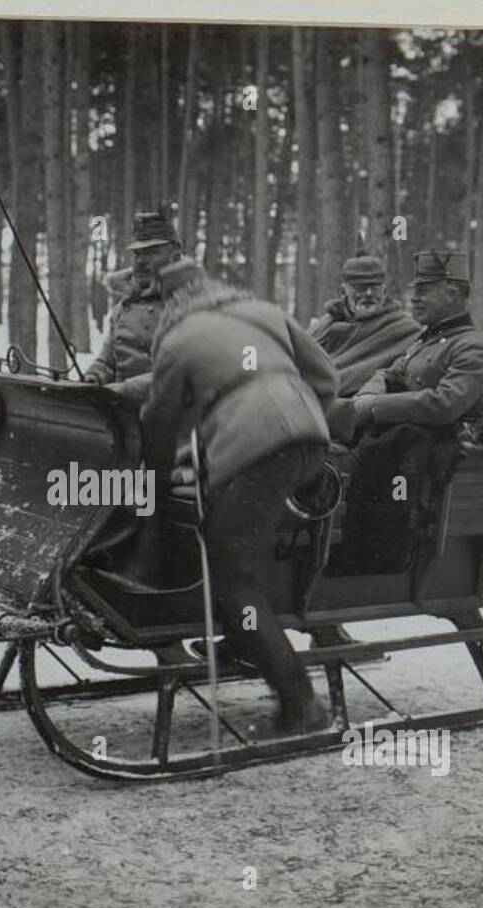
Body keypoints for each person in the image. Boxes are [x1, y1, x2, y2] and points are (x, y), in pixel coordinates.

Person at [133, 258, 340, 736]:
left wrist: (154, 485)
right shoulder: (263, 312)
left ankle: (301, 703)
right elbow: (327, 377)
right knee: (249, 545)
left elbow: (159, 426)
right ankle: (252, 639)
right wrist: (306, 417)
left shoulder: (177, 340)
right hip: (309, 441)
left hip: (256, 451)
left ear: (170, 302)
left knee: (230, 573)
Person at [337, 249, 483, 436]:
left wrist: (374, 406)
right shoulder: (426, 340)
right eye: (415, 291)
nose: (414, 299)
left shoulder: (473, 347)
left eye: (423, 292)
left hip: (432, 450)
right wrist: (367, 396)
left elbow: (443, 405)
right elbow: (388, 374)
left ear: (451, 295)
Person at [82, 210, 183, 385]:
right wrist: (93, 377)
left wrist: (124, 390)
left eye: (151, 252)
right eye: (137, 254)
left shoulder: (192, 306)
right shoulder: (123, 308)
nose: (141, 261)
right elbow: (108, 362)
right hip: (118, 407)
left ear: (175, 258)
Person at [308, 251, 420, 395]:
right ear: (343, 291)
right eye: (360, 287)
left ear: (384, 292)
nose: (368, 293)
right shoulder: (325, 325)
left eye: (375, 287)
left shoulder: (404, 330)